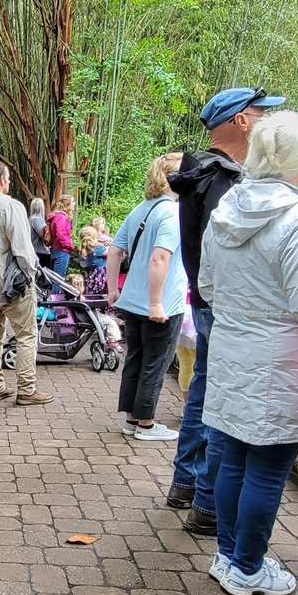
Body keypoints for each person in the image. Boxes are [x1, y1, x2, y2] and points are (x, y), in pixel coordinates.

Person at [199, 112, 298, 595]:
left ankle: (229, 555)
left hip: (232, 349)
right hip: (282, 359)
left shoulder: (227, 209)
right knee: (269, 466)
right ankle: (248, 566)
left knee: (234, 458)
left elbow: (208, 285)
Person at [167, 86, 286, 534]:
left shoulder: (201, 172)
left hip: (208, 301)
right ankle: (208, 503)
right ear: (240, 120)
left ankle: (187, 484)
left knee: (204, 390)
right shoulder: (224, 180)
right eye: (261, 114)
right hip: (228, 308)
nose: (266, 122)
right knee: (223, 400)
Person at [107, 153, 185, 440]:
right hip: (161, 304)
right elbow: (160, 257)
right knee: (157, 361)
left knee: (136, 359)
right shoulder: (172, 213)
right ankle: (147, 424)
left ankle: (131, 419)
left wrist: (113, 289)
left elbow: (115, 249)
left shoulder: (141, 208)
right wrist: (156, 302)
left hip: (131, 301)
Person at [0, 161, 52, 405]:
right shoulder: (11, 206)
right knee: (26, 335)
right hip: (13, 285)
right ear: (2, 180)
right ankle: (26, 389)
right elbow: (23, 250)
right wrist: (32, 275)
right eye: (8, 178)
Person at [78, 220, 111, 303]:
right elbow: (110, 251)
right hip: (101, 277)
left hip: (92, 276)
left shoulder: (84, 250)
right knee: (103, 295)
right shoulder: (96, 249)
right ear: (94, 238)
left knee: (94, 295)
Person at [47, 195, 76, 280]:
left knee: (58, 277)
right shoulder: (61, 218)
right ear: (67, 204)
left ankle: (56, 293)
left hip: (58, 249)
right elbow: (61, 235)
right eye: (72, 202)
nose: (74, 204)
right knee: (59, 279)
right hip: (61, 250)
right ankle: (56, 293)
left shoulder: (60, 217)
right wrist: (70, 246)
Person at [28, 198, 52, 272]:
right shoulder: (36, 220)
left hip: (36, 251)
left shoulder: (30, 219)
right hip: (40, 252)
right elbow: (44, 235)